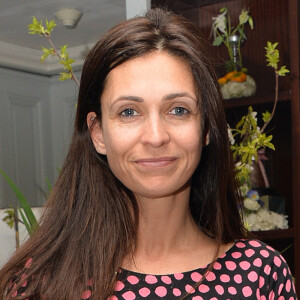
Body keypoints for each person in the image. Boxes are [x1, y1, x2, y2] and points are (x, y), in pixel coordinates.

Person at [0, 8, 297, 300]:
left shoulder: (260, 274)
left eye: (178, 110)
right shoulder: (40, 282)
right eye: (129, 112)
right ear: (98, 133)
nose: (156, 137)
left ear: (206, 127)